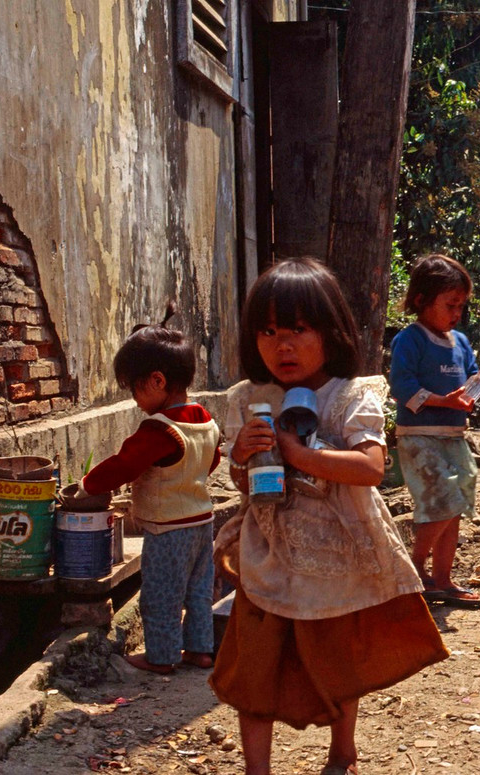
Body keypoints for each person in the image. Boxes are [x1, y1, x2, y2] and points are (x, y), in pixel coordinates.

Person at [212, 257, 447, 775]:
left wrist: (298, 454)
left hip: (334, 555)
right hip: (268, 553)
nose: (283, 346)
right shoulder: (250, 400)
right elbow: (241, 484)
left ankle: (342, 755)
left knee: (336, 663)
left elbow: (369, 467)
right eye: (268, 331)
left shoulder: (349, 395)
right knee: (254, 667)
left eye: (298, 329)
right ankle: (257, 770)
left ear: (332, 331)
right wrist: (241, 458)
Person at [78, 305, 221, 674]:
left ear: (157, 381)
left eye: (135, 390)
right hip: (202, 524)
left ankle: (161, 656)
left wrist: (87, 485)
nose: (135, 400)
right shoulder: (205, 420)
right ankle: (200, 650)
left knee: (161, 596)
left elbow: (123, 465)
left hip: (168, 528)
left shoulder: (159, 430)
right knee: (198, 591)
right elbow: (212, 461)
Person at [389, 253, 480, 609]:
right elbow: (402, 387)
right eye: (450, 304)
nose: (456, 314)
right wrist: (444, 400)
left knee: (456, 505)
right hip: (419, 436)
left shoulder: (461, 342)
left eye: (460, 306)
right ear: (422, 300)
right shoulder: (411, 339)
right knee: (441, 501)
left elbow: (468, 385)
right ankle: (414, 569)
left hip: (453, 436)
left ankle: (442, 579)